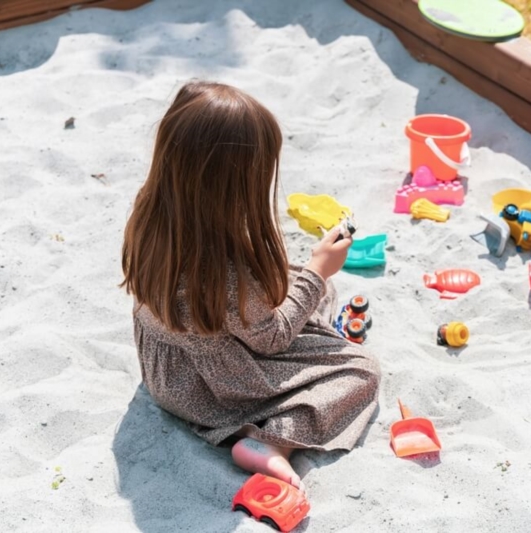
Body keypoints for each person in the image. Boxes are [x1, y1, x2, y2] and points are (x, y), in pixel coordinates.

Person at [120, 81, 380, 492]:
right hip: (214, 387)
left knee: (304, 286)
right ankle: (268, 442)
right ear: (233, 183)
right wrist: (319, 269)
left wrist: (308, 279)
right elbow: (271, 341)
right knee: (361, 371)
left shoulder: (150, 208)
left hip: (164, 370)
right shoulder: (225, 272)